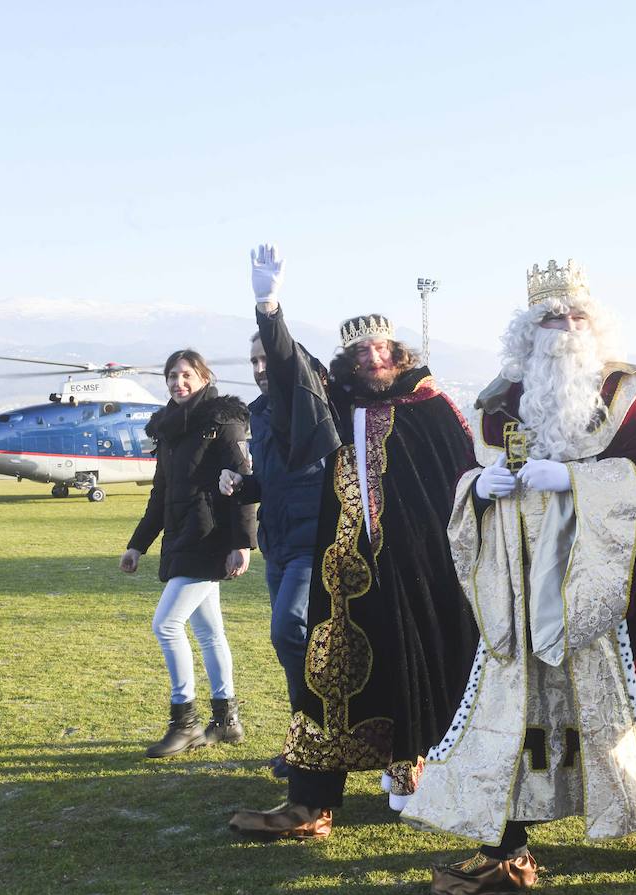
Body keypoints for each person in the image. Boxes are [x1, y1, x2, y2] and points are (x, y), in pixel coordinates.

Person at [402, 259, 636, 895]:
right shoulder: (499, 400)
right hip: (527, 589)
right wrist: (478, 490)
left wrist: (579, 483)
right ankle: (508, 845)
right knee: (528, 709)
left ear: (596, 323)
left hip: (621, 581)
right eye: (552, 316)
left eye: (576, 315)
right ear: (528, 329)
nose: (565, 327)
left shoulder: (629, 391)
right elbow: (478, 474)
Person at [229, 243, 478, 841]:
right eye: (360, 351)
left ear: (397, 351)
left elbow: (462, 481)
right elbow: (291, 365)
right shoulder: (335, 404)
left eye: (380, 348)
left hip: (420, 569)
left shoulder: (431, 405)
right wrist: (270, 306)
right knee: (329, 673)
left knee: (422, 668)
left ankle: (421, 771)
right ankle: (309, 803)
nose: (372, 358)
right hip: (344, 570)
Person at [120, 349, 257, 758]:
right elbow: (161, 493)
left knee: (166, 625)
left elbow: (244, 483)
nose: (178, 382)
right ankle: (227, 721)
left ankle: (185, 722)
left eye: (186, 375)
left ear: (203, 377)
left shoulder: (222, 422)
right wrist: (136, 544)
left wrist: (241, 544)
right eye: (172, 376)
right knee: (209, 633)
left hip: (210, 539)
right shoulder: (168, 428)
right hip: (180, 538)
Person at [219, 333, 324, 827]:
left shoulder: (315, 401)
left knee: (288, 631)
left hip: (315, 543)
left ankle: (321, 738)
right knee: (289, 648)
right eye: (253, 359)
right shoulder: (258, 411)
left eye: (267, 357)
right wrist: (244, 484)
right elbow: (274, 480)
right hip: (277, 544)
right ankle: (303, 740)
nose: (260, 366)